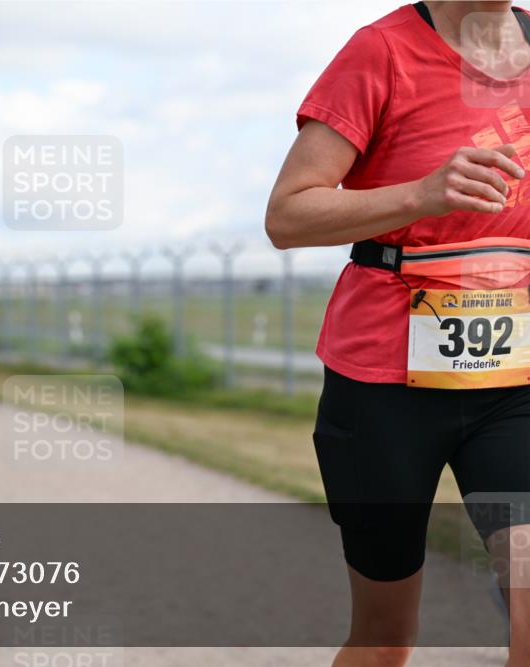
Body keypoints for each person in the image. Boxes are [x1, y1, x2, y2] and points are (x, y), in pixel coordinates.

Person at [266, 3, 530, 666]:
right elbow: (288, 216)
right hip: (382, 385)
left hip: (514, 383)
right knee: (385, 639)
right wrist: (421, 194)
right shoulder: (381, 52)